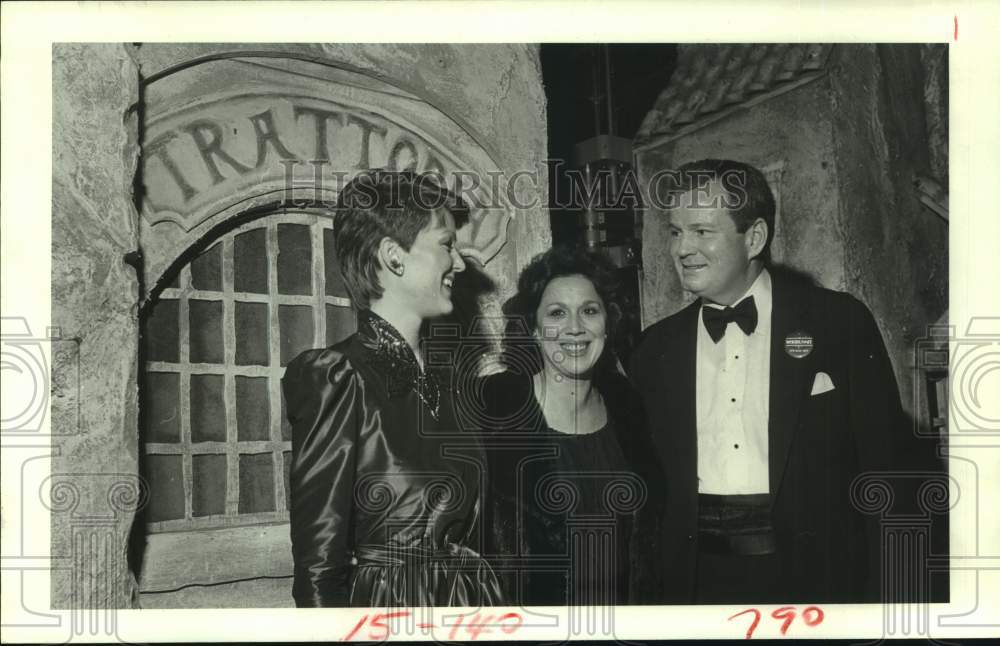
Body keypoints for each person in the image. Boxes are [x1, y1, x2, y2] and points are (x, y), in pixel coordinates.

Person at [630, 159, 909, 604]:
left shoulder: (838, 321)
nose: (682, 249)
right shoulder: (653, 350)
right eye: (675, 232)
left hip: (819, 579)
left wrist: (891, 604)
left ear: (754, 237)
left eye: (702, 231)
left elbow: (888, 474)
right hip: (698, 583)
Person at [282, 170, 502, 607]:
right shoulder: (337, 376)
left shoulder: (447, 381)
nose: (459, 263)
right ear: (393, 256)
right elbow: (318, 570)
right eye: (445, 244)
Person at [480, 246, 661, 606]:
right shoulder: (493, 419)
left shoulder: (631, 412)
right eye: (557, 313)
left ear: (607, 325)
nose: (575, 328)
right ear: (533, 329)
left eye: (589, 311)